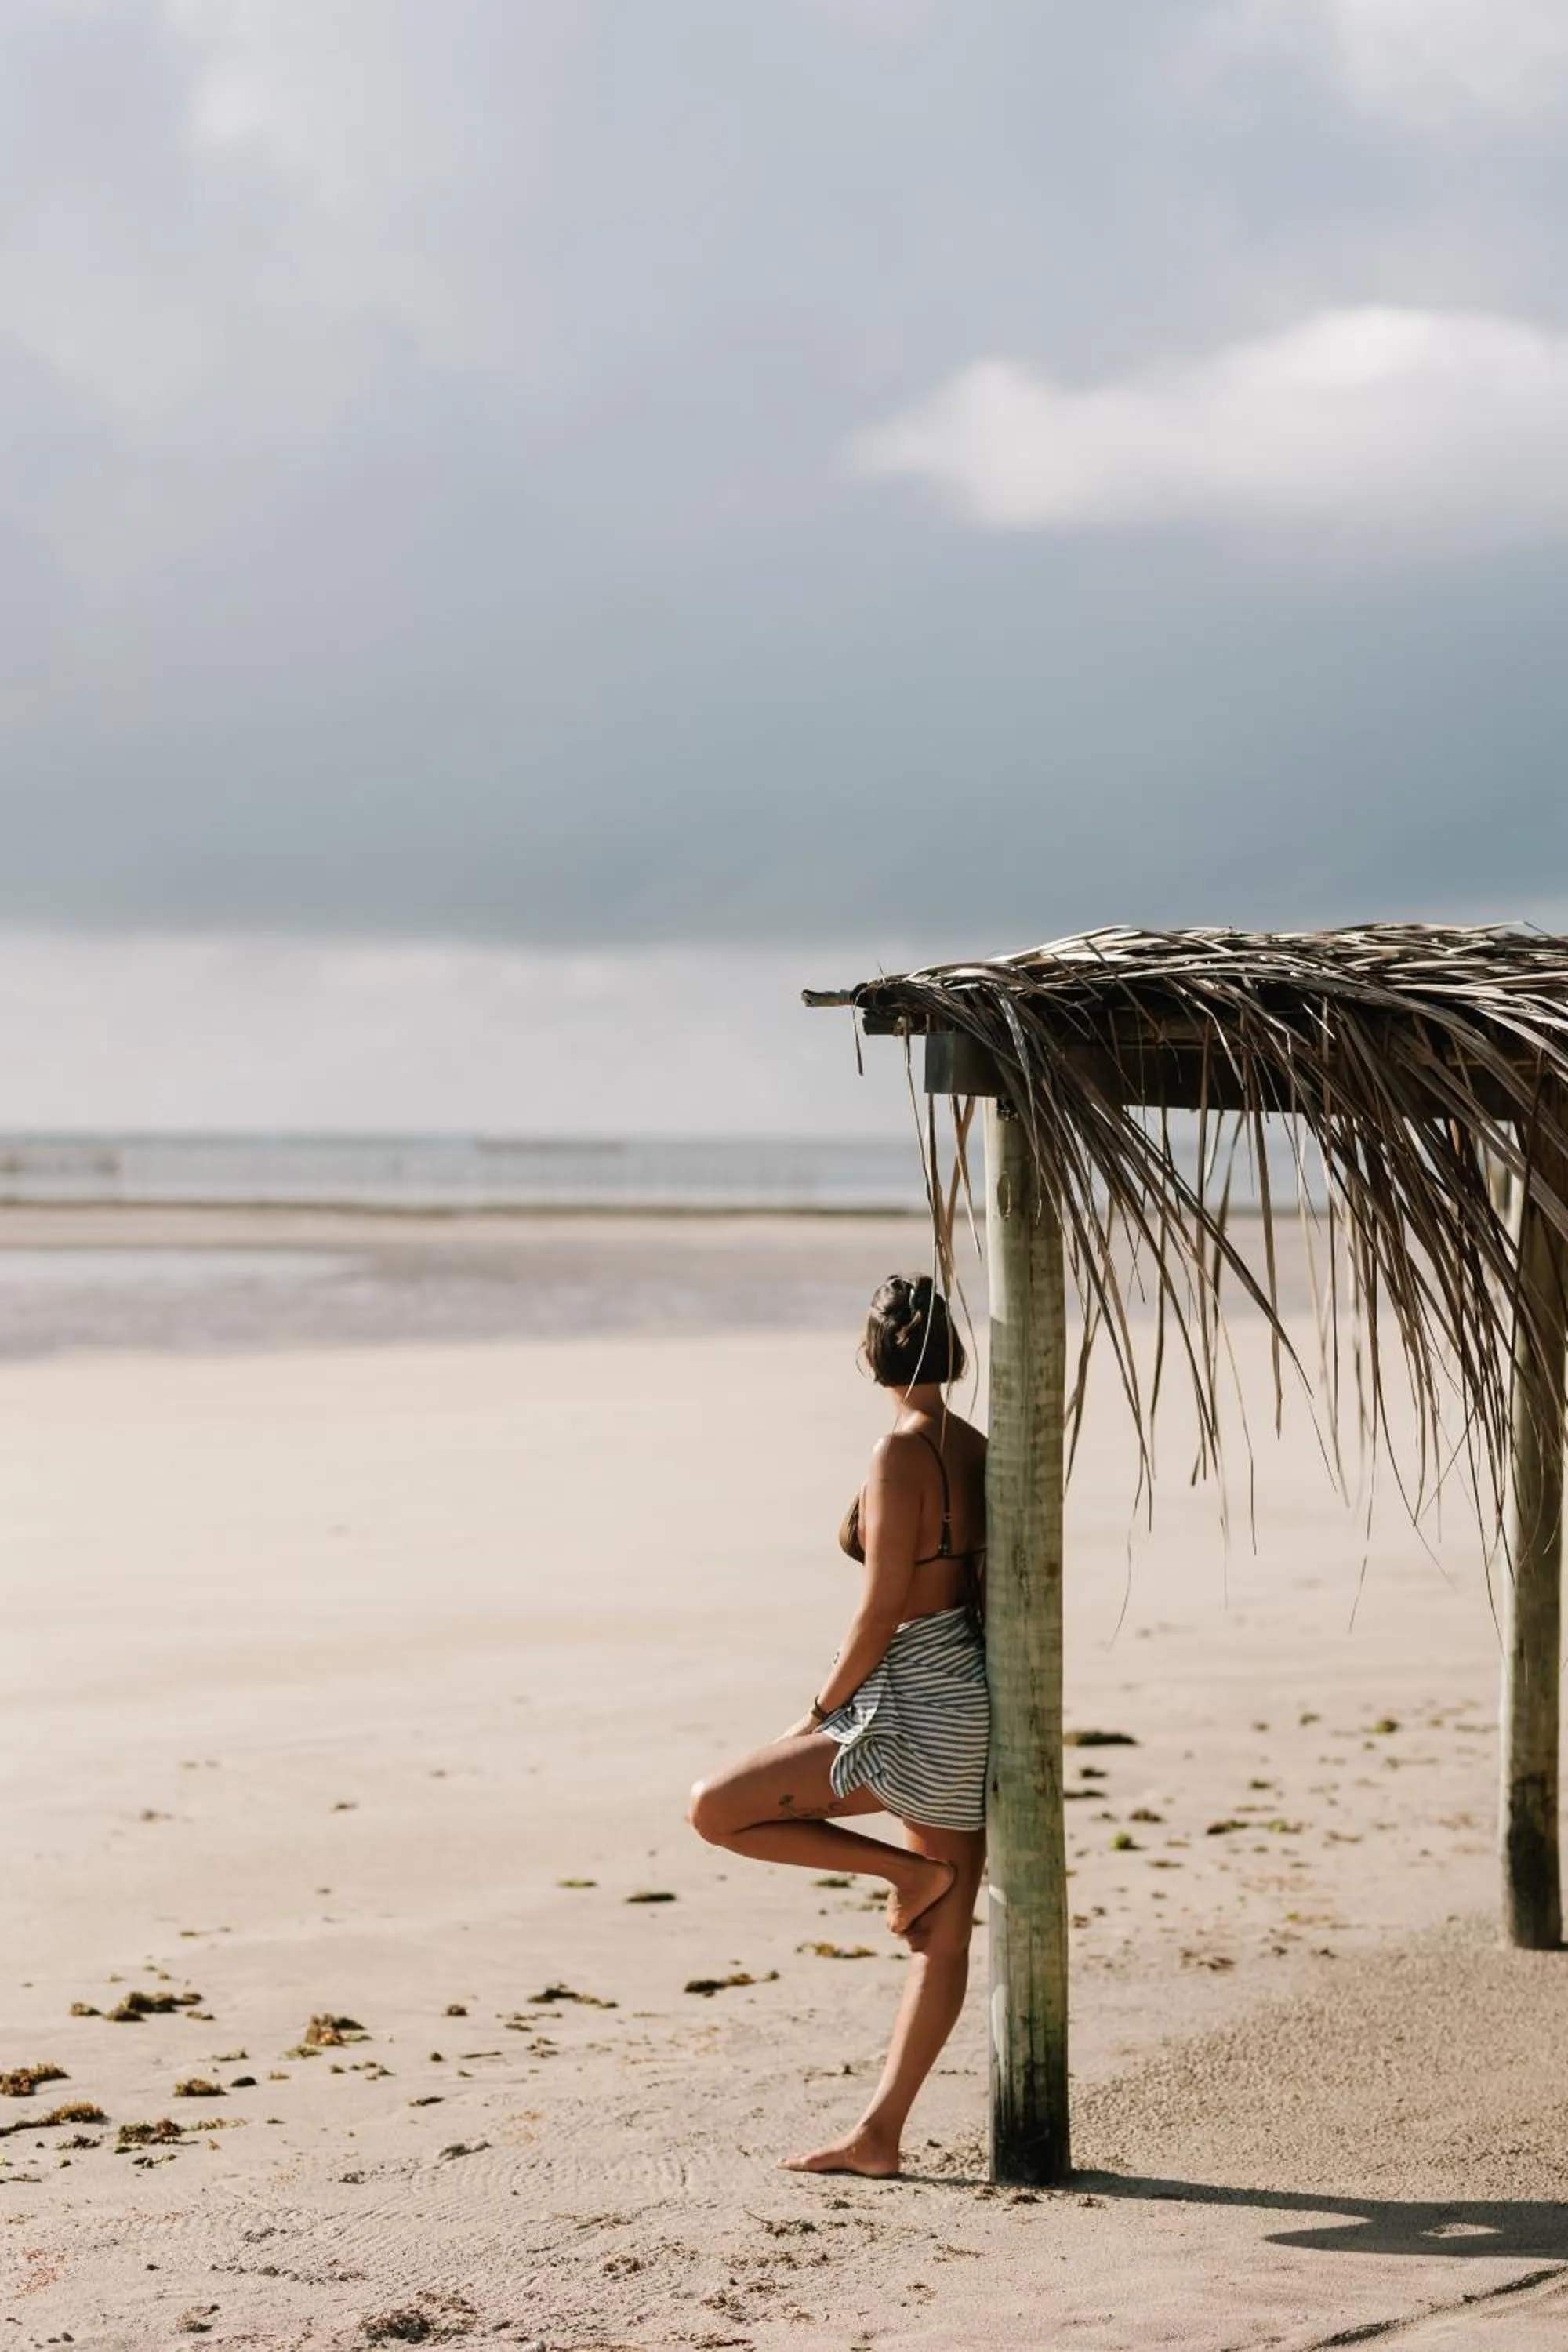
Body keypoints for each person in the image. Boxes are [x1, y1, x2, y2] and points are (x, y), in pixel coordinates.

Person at [687, 1272, 989, 2178]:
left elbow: (880, 1606)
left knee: (716, 1808)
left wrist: (817, 1711)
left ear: (873, 1355)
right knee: (944, 1939)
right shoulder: (974, 1445)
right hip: (963, 1692)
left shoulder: (898, 1453)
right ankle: (879, 2136)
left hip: (908, 1698)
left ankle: (905, 1871)